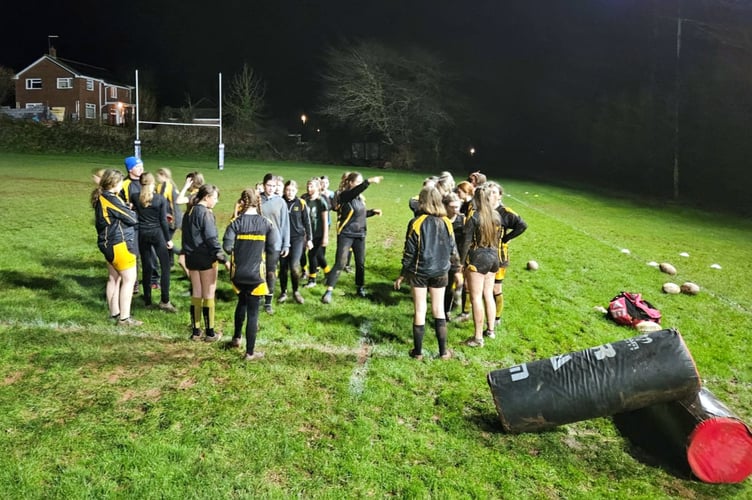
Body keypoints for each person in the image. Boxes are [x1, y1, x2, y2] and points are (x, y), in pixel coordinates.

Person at [394, 186, 458, 360]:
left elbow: (409, 251)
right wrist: (456, 269)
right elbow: (453, 249)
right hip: (441, 272)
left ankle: (418, 352)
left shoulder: (416, 222)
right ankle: (443, 352)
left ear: (422, 201)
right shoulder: (446, 222)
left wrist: (402, 274)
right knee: (439, 310)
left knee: (420, 310)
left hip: (419, 272)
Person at [223, 188, 279, 361]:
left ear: (242, 202)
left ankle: (236, 338)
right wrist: (270, 276)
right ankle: (250, 353)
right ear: (258, 202)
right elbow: (272, 250)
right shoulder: (267, 223)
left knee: (241, 303)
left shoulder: (235, 223)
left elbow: (226, 247)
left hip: (238, 275)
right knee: (253, 312)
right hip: (257, 275)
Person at [322, 172, 383, 304]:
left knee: (360, 264)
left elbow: (360, 214)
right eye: (358, 182)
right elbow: (354, 193)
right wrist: (368, 181)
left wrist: (372, 212)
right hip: (346, 234)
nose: (360, 184)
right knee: (340, 263)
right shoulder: (344, 195)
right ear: (350, 183)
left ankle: (360, 288)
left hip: (360, 235)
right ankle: (329, 291)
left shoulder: (360, 198)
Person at [91, 168, 141, 326]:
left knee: (113, 279)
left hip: (107, 243)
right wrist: (130, 209)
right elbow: (131, 218)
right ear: (114, 183)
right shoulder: (111, 198)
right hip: (119, 244)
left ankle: (114, 313)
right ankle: (124, 318)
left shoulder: (101, 197)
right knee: (129, 280)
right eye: (120, 182)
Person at [458, 182, 504, 347]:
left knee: (476, 297)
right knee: (488, 295)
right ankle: (490, 330)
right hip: (494, 258)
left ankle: (478, 338)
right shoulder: (496, 216)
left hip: (478, 258)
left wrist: (461, 263)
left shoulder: (475, 217)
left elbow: (466, 243)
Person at [182, 184, 228, 342]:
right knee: (208, 293)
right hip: (205, 257)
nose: (216, 201)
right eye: (215, 198)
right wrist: (221, 256)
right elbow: (211, 238)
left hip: (191, 257)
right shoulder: (205, 213)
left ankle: (196, 332)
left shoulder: (189, 212)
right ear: (207, 197)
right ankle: (210, 333)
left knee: (196, 292)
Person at [133, 172, 176, 312]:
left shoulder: (135, 197)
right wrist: (168, 239)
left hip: (142, 234)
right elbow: (163, 221)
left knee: (146, 267)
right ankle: (165, 300)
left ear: (141, 183)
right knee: (165, 267)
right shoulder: (160, 199)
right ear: (152, 184)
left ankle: (147, 300)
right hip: (157, 234)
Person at [492, 185, 528, 327]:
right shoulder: (483, 210)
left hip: (499, 256)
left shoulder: (505, 213)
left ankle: (497, 318)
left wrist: (506, 238)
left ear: (500, 196)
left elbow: (522, 225)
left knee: (496, 288)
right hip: (482, 254)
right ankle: (466, 312)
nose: (491, 194)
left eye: (494, 192)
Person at [260, 173, 291, 314]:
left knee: (271, 272)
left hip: (275, 242)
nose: (271, 188)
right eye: (269, 185)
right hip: (258, 241)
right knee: (258, 270)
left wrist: (286, 244)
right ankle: (257, 296)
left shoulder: (281, 202)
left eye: (274, 186)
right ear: (263, 185)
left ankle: (268, 302)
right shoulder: (257, 199)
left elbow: (285, 225)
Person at [279, 180, 312, 304]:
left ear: (296, 191)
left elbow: (307, 222)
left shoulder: (301, 203)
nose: (290, 192)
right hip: (282, 239)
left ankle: (296, 291)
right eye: (287, 190)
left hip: (297, 239)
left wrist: (309, 239)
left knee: (294, 266)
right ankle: (283, 292)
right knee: (283, 267)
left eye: (292, 190)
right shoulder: (280, 202)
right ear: (284, 190)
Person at [443, 192, 465, 319]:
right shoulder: (440, 219)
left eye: (457, 206)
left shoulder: (462, 220)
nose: (456, 210)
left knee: (451, 283)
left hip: (456, 258)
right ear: (445, 206)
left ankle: (447, 310)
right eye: (452, 207)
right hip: (442, 256)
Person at [304, 178, 330, 287]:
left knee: (312, 255)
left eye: (312, 186)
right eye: (308, 186)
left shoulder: (321, 201)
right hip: (309, 233)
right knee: (317, 255)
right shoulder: (305, 200)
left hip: (318, 233)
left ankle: (312, 280)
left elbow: (325, 220)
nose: (309, 189)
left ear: (318, 187)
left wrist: (325, 237)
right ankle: (329, 274)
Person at [155, 167, 183, 266]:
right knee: (167, 240)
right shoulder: (169, 186)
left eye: (158, 176)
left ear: (163, 175)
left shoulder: (166, 187)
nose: (157, 178)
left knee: (165, 240)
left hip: (171, 219)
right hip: (173, 217)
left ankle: (181, 252)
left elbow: (160, 201)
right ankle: (170, 262)